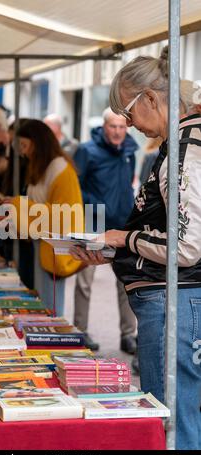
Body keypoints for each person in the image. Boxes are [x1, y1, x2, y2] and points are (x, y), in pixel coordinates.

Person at [70, 46, 201, 450]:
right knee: (178, 415)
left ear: (150, 99)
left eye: (127, 112)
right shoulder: (178, 145)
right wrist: (120, 250)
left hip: (171, 302)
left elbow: (186, 246)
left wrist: (120, 239)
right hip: (170, 299)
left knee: (172, 421)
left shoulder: (184, 149)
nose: (127, 124)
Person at [73, 107, 138, 353]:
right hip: (93, 224)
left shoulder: (130, 151)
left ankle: (128, 334)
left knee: (126, 281)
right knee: (85, 282)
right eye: (113, 126)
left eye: (122, 127)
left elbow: (128, 184)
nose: (118, 132)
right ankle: (80, 331)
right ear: (104, 126)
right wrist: (94, 206)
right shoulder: (86, 151)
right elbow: (75, 187)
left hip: (122, 226)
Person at [6, 119, 83, 316]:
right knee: (44, 302)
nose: (22, 152)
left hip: (53, 246)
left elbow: (63, 213)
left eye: (24, 145)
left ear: (37, 143)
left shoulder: (60, 170)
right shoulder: (43, 167)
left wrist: (19, 204)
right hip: (42, 244)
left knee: (50, 306)